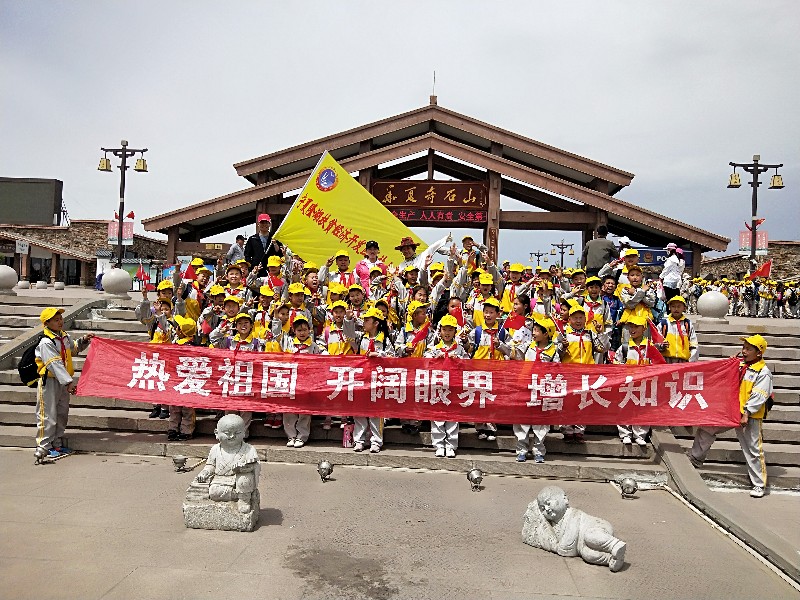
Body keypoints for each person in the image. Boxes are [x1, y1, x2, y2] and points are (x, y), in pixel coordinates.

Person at [689, 334, 773, 498]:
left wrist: (747, 413)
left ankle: (759, 485)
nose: (744, 351)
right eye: (744, 347)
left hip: (749, 415)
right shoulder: (740, 365)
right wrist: (729, 364)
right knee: (708, 427)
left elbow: (759, 395)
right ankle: (695, 459)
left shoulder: (763, 372)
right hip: (729, 410)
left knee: (753, 449)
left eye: (749, 349)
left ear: (759, 353)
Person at [34, 307, 94, 458]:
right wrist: (68, 382)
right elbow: (54, 364)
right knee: (48, 414)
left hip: (62, 382)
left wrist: (84, 341)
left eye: (60, 318)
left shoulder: (63, 336)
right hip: (49, 382)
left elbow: (72, 350)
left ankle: (57, 444)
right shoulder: (46, 342)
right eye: (56, 319)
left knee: (61, 413)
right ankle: (44, 447)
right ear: (46, 323)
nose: (60, 321)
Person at [343, 306, 395, 453]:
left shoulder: (385, 340)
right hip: (361, 379)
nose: (364, 322)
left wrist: (380, 355)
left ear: (376, 323)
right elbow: (348, 335)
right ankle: (359, 440)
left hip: (377, 380)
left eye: (367, 320)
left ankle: (376, 441)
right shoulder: (361, 338)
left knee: (376, 413)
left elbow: (393, 359)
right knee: (359, 411)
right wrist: (348, 319)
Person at [513, 314, 560, 463]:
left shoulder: (553, 351)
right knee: (522, 421)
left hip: (543, 390)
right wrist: (504, 345)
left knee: (541, 423)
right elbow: (515, 356)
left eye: (537, 330)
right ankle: (521, 450)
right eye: (533, 330)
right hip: (526, 387)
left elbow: (556, 370)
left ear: (546, 333)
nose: (533, 333)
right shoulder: (528, 346)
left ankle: (539, 451)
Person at [194, 414, 260, 514]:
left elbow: (255, 465)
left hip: (239, 478)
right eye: (227, 433)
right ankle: (237, 495)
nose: (232, 436)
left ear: (244, 433)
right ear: (216, 433)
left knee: (244, 479)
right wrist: (205, 472)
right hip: (221, 480)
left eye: (237, 433)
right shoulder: (215, 449)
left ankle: (244, 500)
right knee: (213, 492)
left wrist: (245, 468)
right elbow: (211, 465)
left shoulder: (249, 449)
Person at [423, 314, 468, 458]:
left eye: (450, 330)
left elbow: (468, 363)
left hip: (453, 387)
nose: (447, 333)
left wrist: (458, 360)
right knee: (437, 417)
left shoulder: (459, 349)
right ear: (440, 331)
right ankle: (439, 445)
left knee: (452, 417)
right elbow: (424, 362)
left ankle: (451, 445)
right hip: (438, 387)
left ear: (455, 331)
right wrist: (435, 359)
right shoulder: (433, 348)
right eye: (444, 329)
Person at [613, 315, 658, 445]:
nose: (632, 329)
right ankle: (625, 433)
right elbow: (616, 362)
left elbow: (657, 364)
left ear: (643, 328)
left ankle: (640, 435)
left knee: (643, 409)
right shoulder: (624, 347)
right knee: (625, 407)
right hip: (627, 384)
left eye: (636, 326)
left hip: (644, 384)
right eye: (630, 327)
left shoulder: (650, 347)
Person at [167, 315, 198, 441]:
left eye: (177, 327)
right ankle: (184, 430)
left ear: (181, 331)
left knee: (178, 408)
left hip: (178, 380)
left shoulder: (180, 346)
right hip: (186, 382)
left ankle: (174, 429)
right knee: (186, 408)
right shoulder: (194, 346)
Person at [658, 296, 698, 363]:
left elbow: (694, 344)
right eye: (673, 306)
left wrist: (691, 360)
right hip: (666, 360)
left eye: (679, 306)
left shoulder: (687, 324)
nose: (676, 309)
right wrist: (661, 346)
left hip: (683, 361)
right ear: (669, 308)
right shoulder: (663, 324)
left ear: (684, 308)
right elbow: (655, 342)